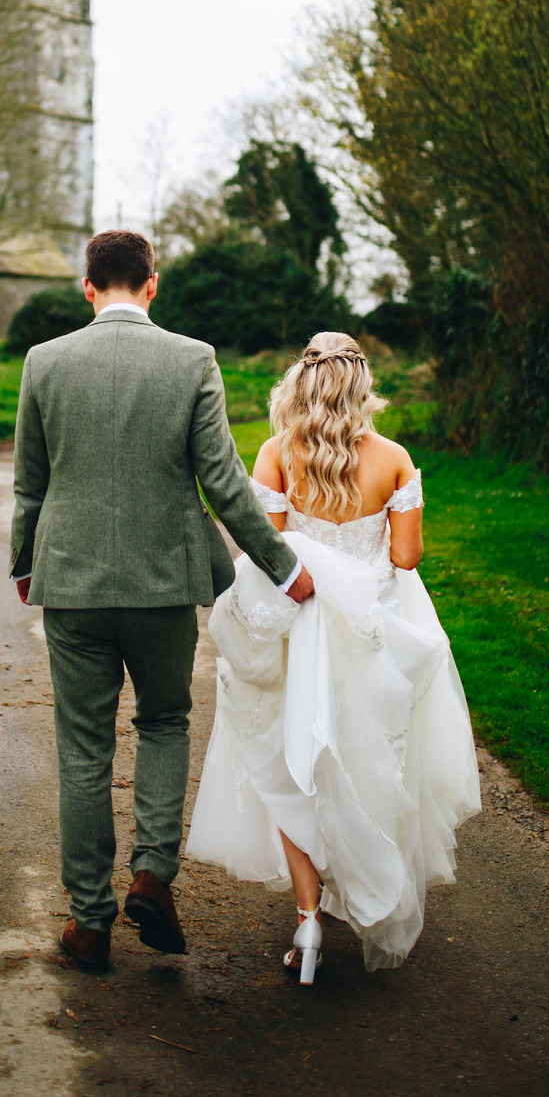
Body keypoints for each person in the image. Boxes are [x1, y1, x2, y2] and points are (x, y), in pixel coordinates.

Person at [10, 228, 313, 972]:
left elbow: (30, 481)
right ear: (152, 284)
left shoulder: (44, 362)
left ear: (88, 286)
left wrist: (25, 562)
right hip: (162, 586)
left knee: (82, 750)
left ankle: (88, 922)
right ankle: (152, 874)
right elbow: (224, 479)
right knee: (164, 721)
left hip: (72, 585)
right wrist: (281, 566)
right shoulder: (191, 359)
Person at [187, 331, 481, 982]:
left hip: (299, 630)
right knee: (372, 761)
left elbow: (267, 551)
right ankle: (366, 883)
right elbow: (403, 558)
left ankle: (306, 916)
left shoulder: (276, 453)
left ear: (305, 383)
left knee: (294, 763)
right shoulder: (395, 459)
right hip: (373, 631)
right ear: (361, 385)